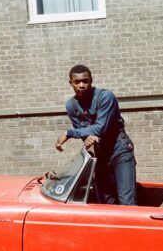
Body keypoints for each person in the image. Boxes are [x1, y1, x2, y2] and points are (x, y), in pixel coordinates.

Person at [55, 65, 137, 205]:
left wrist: (69, 133)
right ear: (71, 83)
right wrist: (88, 138)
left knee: (126, 201)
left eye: (85, 81)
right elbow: (84, 133)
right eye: (77, 82)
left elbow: (100, 128)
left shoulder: (106, 97)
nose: (82, 85)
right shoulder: (71, 106)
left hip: (119, 150)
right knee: (106, 201)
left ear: (91, 81)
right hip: (100, 154)